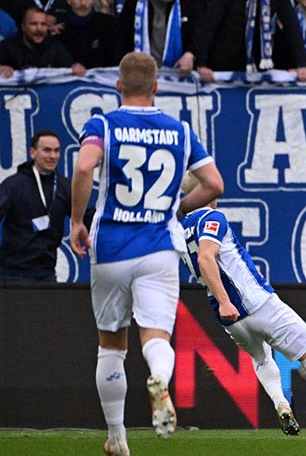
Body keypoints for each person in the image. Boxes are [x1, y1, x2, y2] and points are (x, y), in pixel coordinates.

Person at [69, 52, 225, 456]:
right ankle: (159, 378)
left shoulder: (103, 125)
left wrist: (77, 221)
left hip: (111, 246)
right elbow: (214, 184)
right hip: (159, 247)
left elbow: (84, 167)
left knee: (111, 345)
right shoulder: (180, 131)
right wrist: (177, 208)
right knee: (156, 336)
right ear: (156, 88)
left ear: (118, 86)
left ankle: (116, 437)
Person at [178, 174, 306, 438]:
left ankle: (280, 403)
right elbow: (206, 258)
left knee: (260, 357)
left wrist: (225, 301)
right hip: (255, 302)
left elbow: (211, 261)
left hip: (231, 319)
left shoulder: (181, 229)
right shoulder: (212, 218)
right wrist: (226, 300)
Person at [0, 130, 80, 282]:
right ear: (33, 152)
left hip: (46, 273)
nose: (52, 156)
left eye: (56, 151)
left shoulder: (64, 186)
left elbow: (86, 215)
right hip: (12, 274)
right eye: (47, 150)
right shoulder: (13, 185)